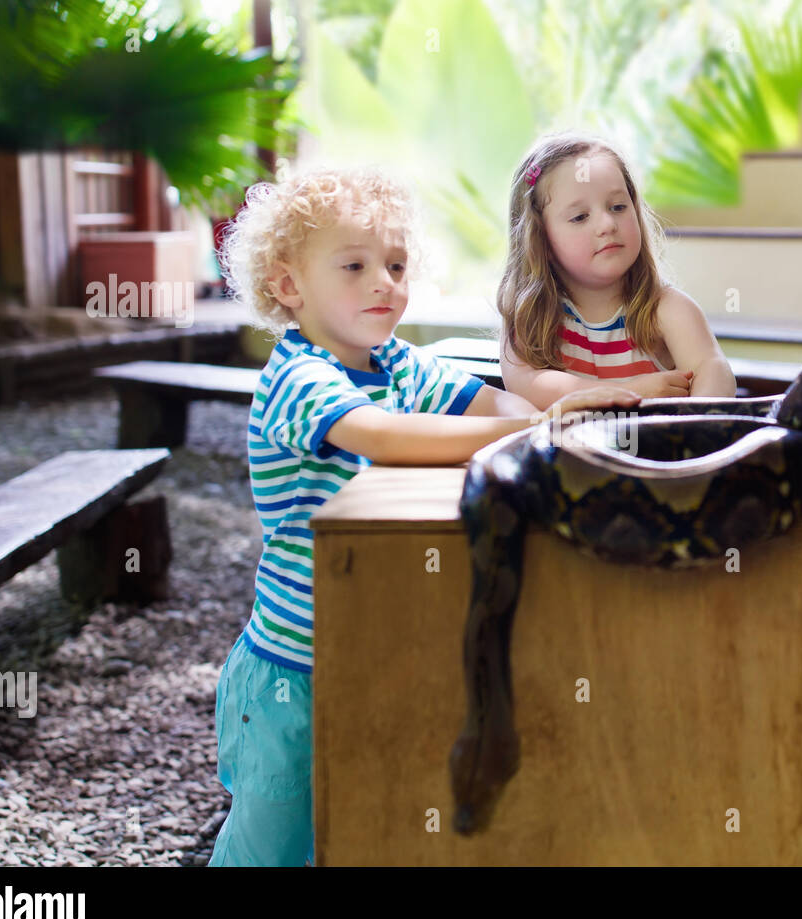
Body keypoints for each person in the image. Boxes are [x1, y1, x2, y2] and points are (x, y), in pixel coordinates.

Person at [209, 167, 638, 866]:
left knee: (366, 822)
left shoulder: (400, 364)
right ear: (290, 286)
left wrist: (535, 415)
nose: (385, 282)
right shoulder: (297, 377)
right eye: (355, 266)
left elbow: (489, 403)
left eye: (397, 264)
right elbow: (381, 435)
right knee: (273, 848)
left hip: (374, 650)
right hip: (295, 669)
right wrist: (537, 430)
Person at [497, 132, 737, 410]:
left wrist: (699, 428)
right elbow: (528, 386)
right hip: (568, 453)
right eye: (580, 217)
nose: (607, 224)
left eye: (618, 207)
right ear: (540, 240)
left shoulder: (667, 308)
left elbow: (712, 368)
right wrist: (629, 392)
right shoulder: (527, 314)